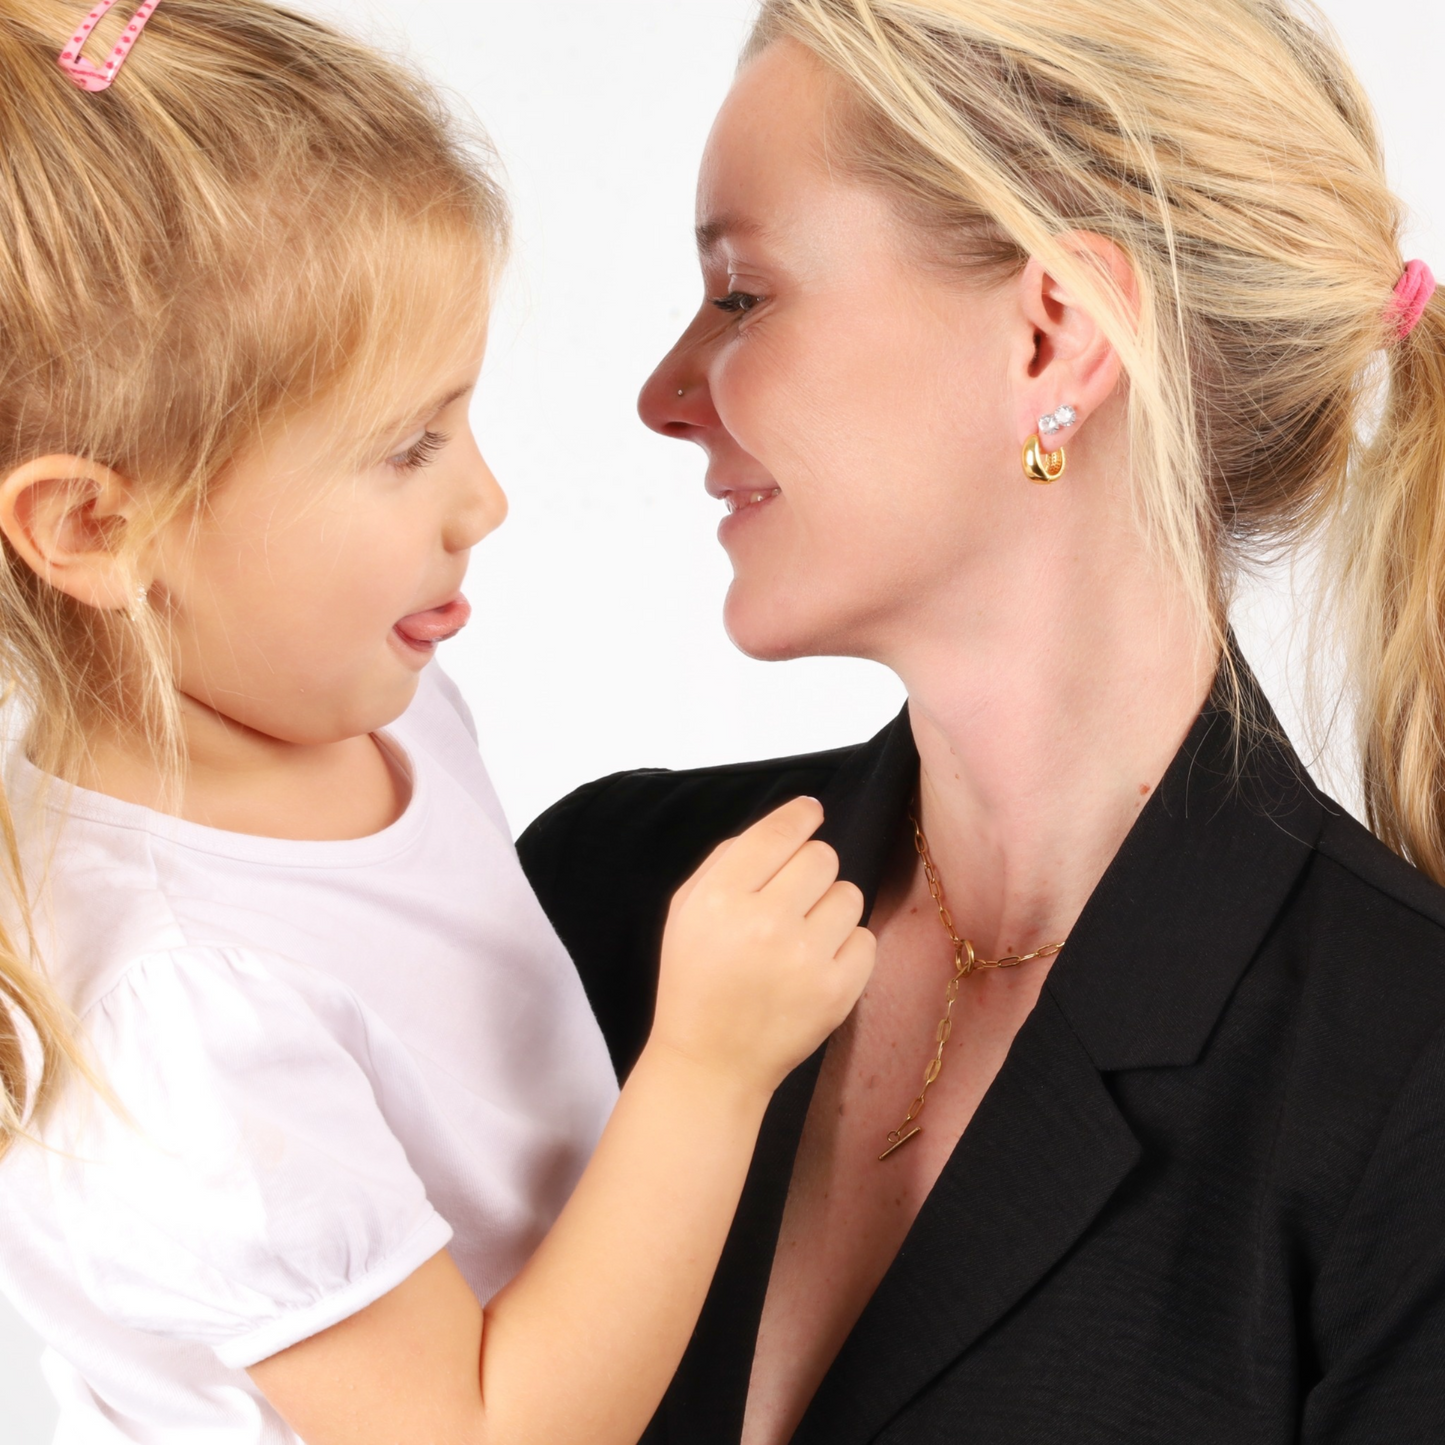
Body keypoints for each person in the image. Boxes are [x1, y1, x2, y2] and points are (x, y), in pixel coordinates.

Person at [517, 2, 1445, 1441]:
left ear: (1054, 335)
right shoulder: (604, 896)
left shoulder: (1402, 1075)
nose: (664, 394)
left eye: (743, 295)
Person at [0, 4, 877, 1444]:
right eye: (406, 447)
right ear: (97, 526)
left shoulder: (360, 709)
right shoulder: (179, 1009)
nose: (484, 502)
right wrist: (711, 1067)